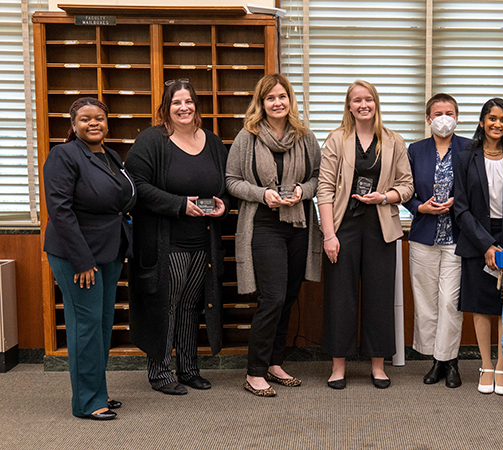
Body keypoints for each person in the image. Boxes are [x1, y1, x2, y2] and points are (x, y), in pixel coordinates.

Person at [126, 79, 229, 395]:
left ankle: (188, 368)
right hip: (165, 244)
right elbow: (137, 186)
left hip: (203, 242)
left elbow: (224, 183)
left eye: (188, 102)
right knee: (165, 305)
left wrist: (223, 203)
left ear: (196, 106)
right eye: (176, 103)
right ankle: (159, 371)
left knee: (192, 305)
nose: (183, 108)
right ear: (166, 108)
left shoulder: (211, 141)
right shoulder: (151, 141)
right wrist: (179, 205)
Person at [226, 73, 322, 397]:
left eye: (282, 96)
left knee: (289, 297)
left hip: (298, 225)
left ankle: (274, 363)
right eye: (270, 98)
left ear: (290, 100)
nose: (277, 102)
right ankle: (254, 371)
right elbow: (231, 180)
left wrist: (301, 190)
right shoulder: (247, 136)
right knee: (273, 298)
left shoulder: (304, 136)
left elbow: (317, 177)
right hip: (264, 224)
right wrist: (260, 194)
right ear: (261, 103)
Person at [43, 97, 136, 420]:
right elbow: (60, 211)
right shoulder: (63, 155)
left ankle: (98, 391)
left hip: (108, 249)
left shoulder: (109, 155)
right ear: (73, 125)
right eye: (85, 119)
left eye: (99, 118)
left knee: (101, 325)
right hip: (77, 255)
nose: (93, 123)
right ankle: (86, 401)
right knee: (85, 325)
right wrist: (82, 260)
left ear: (107, 123)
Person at [317, 80, 413, 389]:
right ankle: (338, 365)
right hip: (343, 227)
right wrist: (329, 235)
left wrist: (385, 197)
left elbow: (408, 186)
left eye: (368, 99)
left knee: (379, 297)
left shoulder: (393, 141)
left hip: (380, 227)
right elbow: (325, 189)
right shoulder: (336, 139)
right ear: (349, 106)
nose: (363, 105)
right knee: (340, 297)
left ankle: (377, 365)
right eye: (357, 100)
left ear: (376, 103)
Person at [453, 97, 503, 396]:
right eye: (492, 118)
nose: (497, 124)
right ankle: (485, 365)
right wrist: (486, 243)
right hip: (476, 238)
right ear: (482, 121)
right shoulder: (464, 157)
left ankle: (502, 366)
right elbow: (460, 207)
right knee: (481, 305)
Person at [404, 93, 470, 388]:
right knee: (427, 302)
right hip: (423, 235)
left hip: (457, 237)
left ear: (457, 116)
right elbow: (403, 190)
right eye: (438, 113)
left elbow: (478, 189)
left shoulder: (470, 148)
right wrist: (420, 206)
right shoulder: (415, 150)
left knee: (450, 302)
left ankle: (451, 361)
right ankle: (436, 360)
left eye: (450, 112)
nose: (445, 117)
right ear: (428, 118)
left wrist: (458, 204)